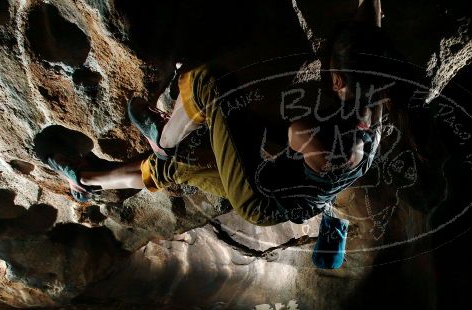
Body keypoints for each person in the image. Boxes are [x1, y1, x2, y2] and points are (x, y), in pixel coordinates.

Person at [48, 0, 418, 230]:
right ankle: (86, 181)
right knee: (178, 167)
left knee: (210, 82)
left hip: (260, 198)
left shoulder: (326, 139)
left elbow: (292, 136)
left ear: (337, 80)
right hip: (283, 179)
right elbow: (369, 32)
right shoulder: (375, 98)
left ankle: (163, 139)